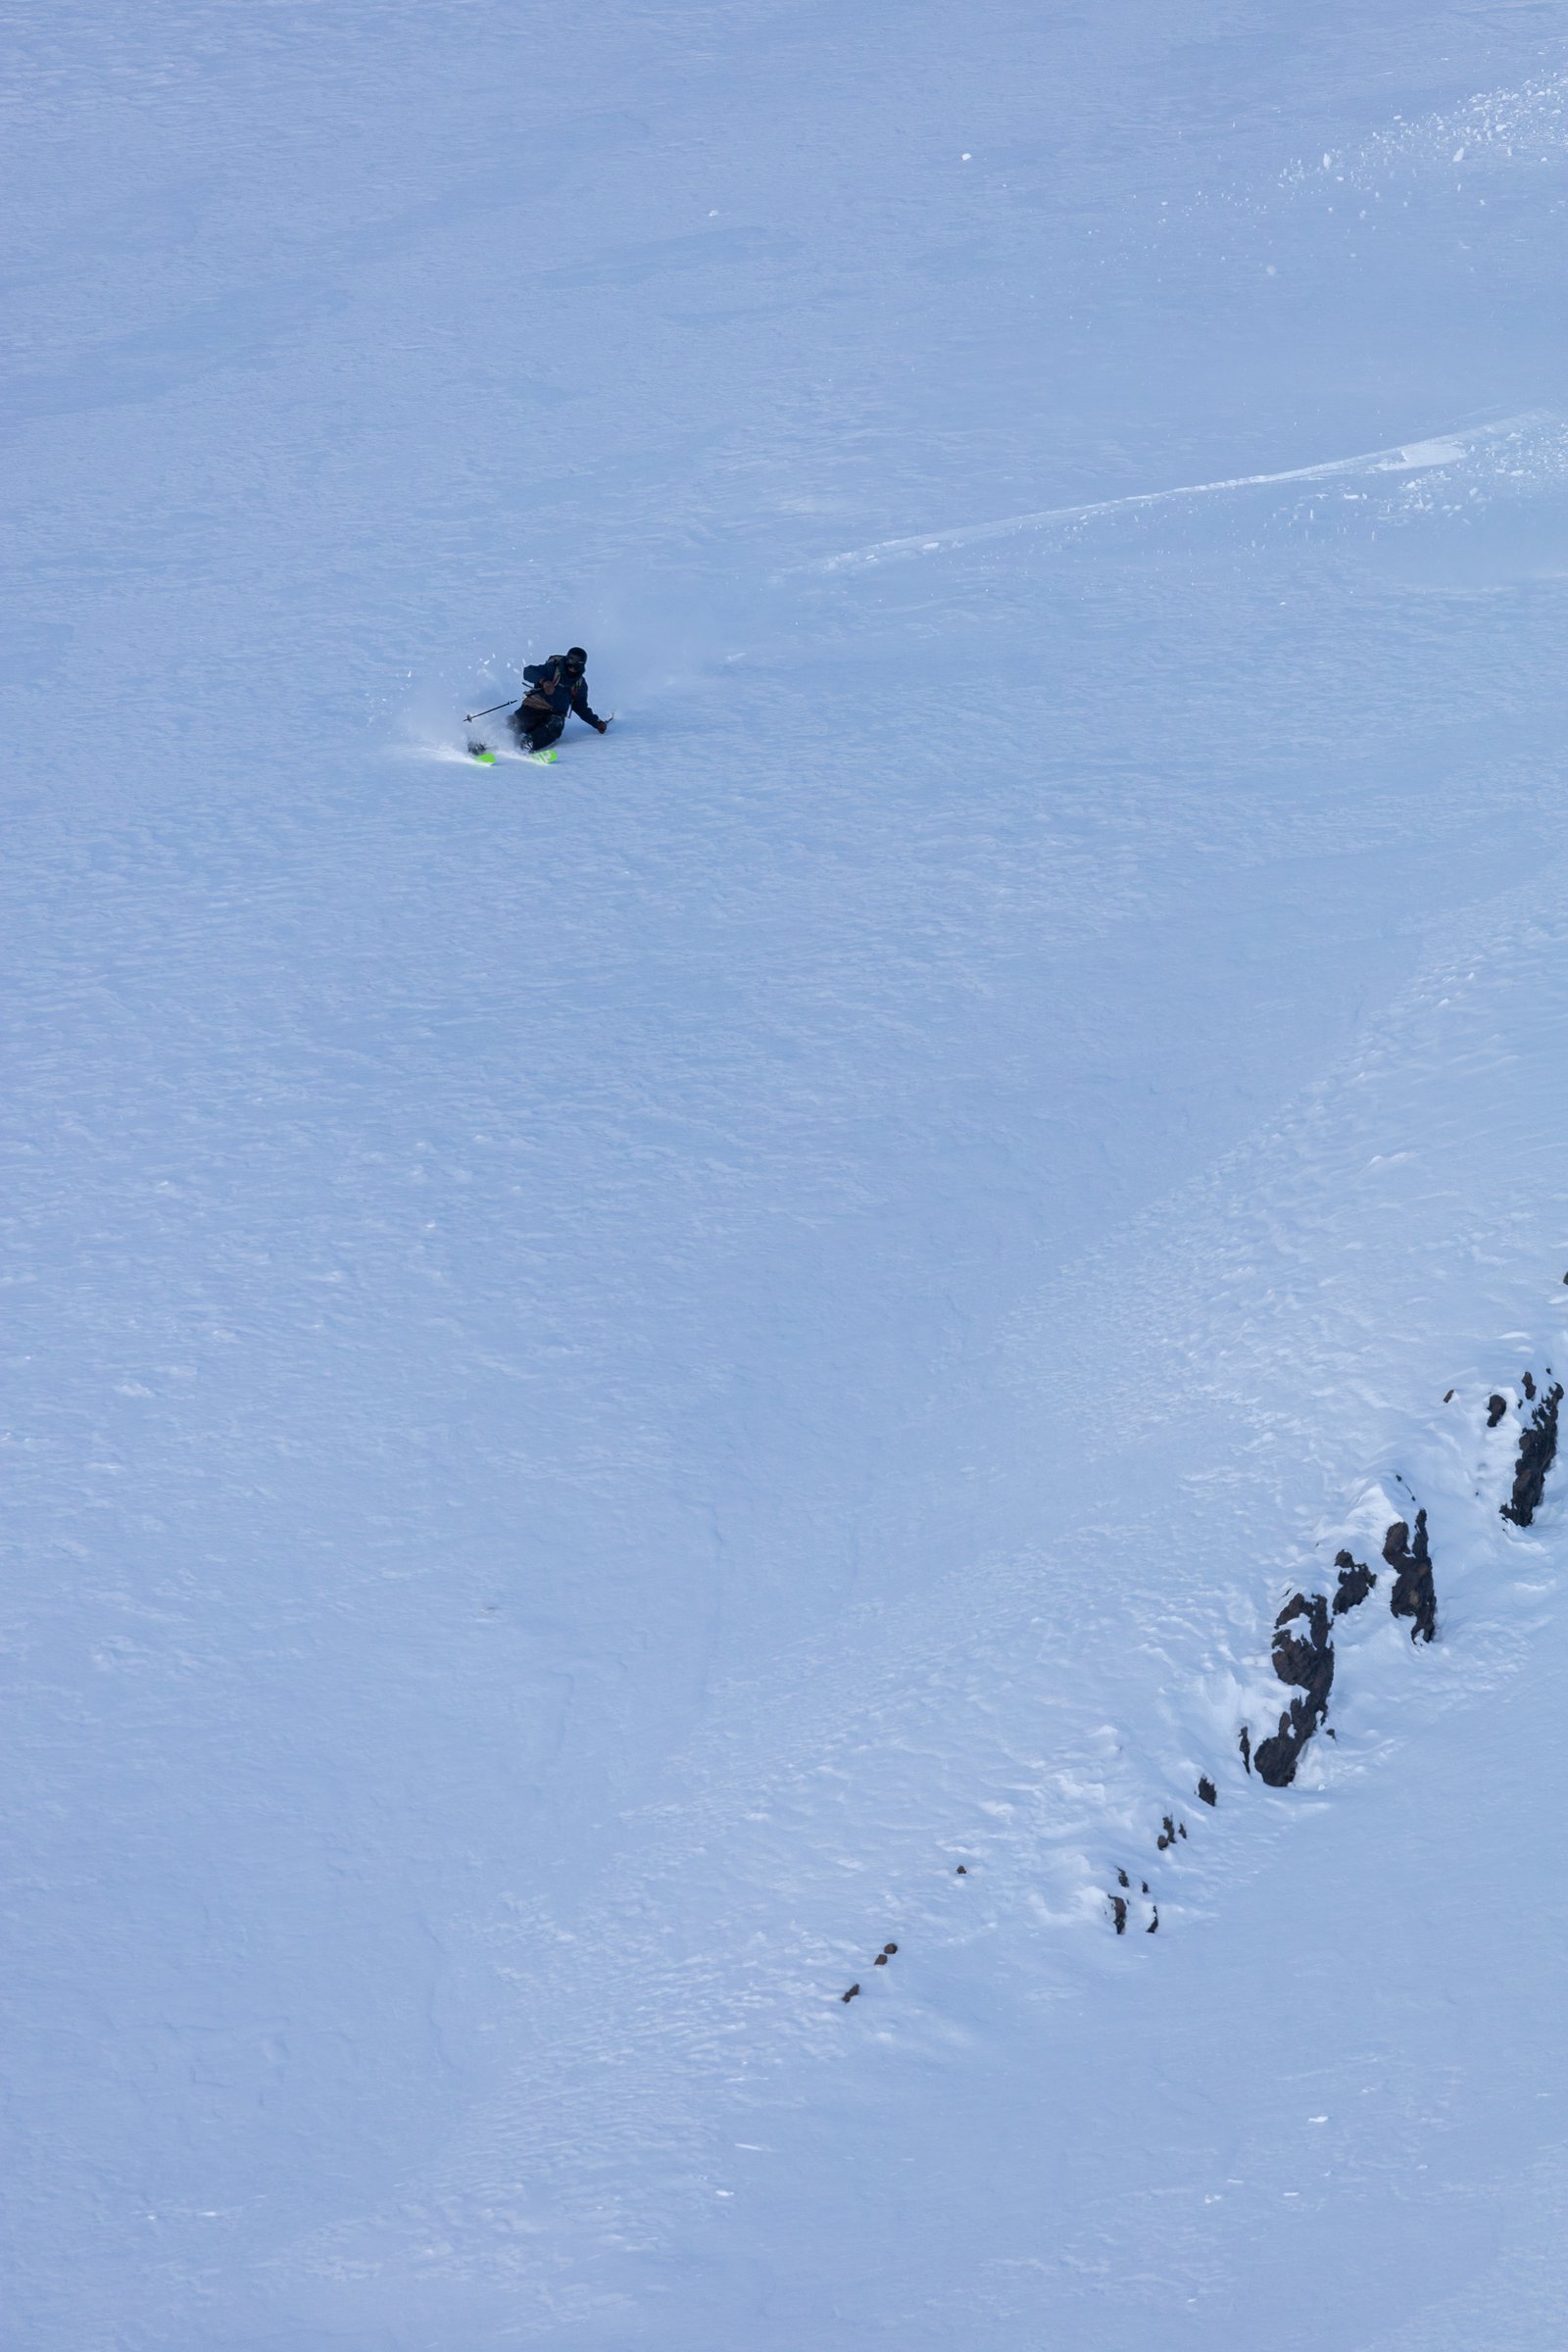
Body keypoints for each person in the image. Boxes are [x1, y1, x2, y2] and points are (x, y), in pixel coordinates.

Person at [510, 648, 610, 754]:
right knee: (519, 722)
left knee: (555, 727)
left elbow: (581, 707)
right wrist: (544, 681)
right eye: (569, 666)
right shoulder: (552, 669)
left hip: (556, 714)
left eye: (575, 668)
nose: (571, 670)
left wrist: (596, 722)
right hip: (535, 706)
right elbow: (528, 672)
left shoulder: (580, 684)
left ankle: (529, 744)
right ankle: (498, 736)